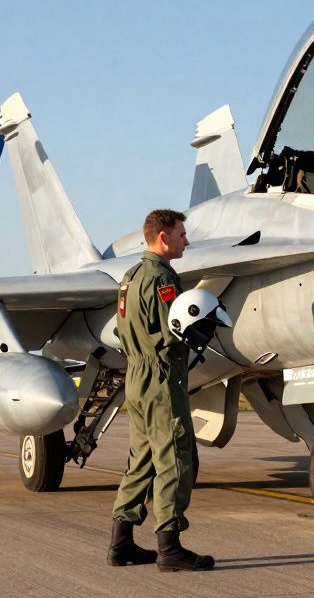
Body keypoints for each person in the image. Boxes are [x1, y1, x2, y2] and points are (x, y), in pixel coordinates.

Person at [107, 209, 214, 572]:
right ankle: (169, 547)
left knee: (141, 460)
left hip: (135, 376)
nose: (187, 240)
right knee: (176, 458)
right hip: (161, 377)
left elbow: (123, 331)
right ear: (163, 238)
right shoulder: (162, 279)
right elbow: (175, 330)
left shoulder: (129, 276)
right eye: (181, 235)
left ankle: (120, 545)